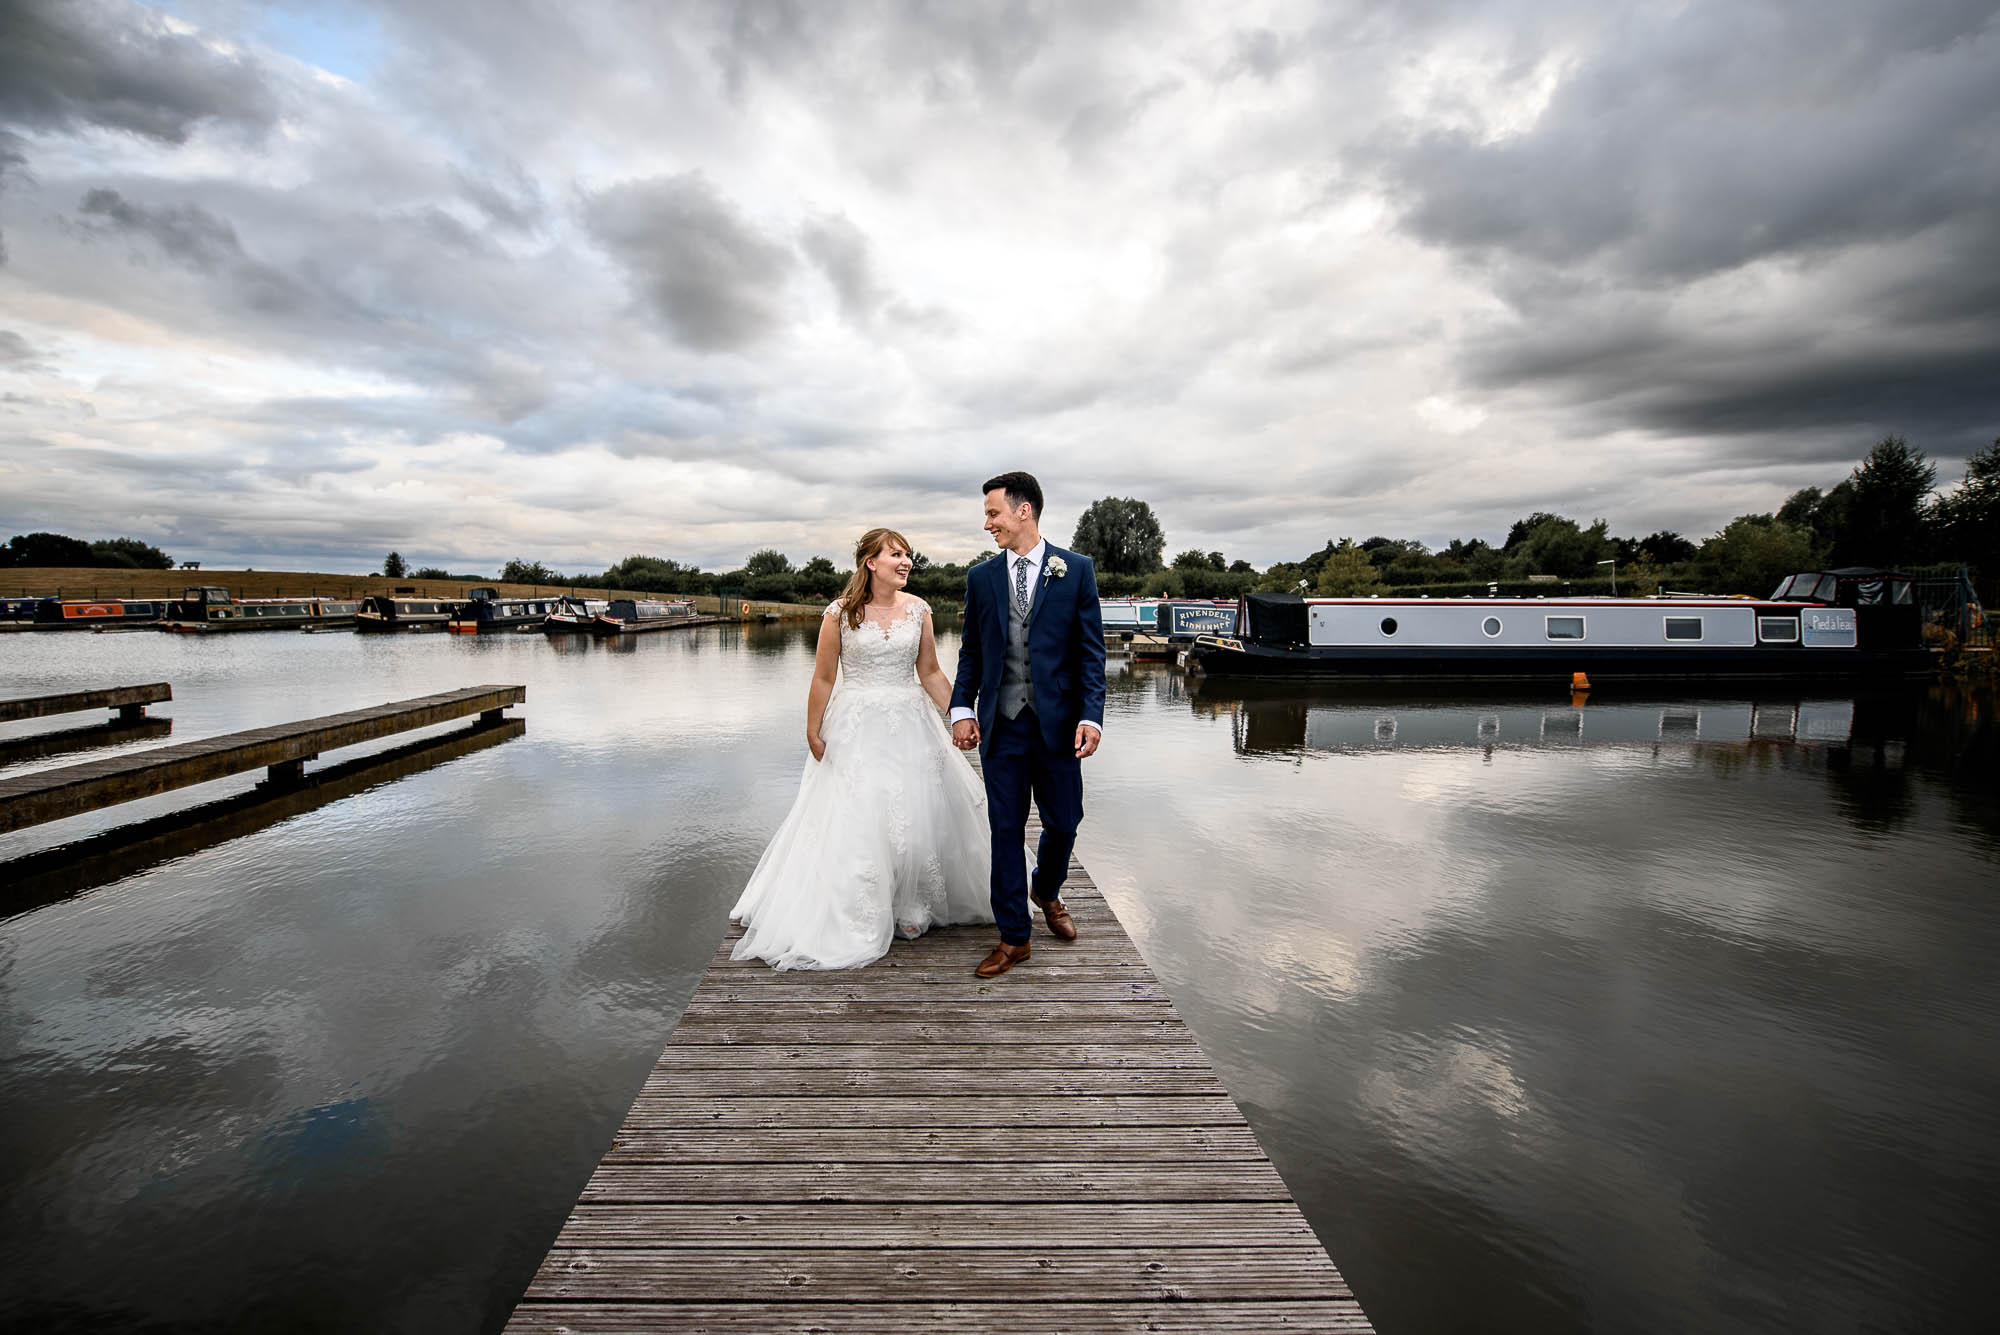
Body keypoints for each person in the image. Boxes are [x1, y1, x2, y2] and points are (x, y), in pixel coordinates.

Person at [729, 528, 993, 970]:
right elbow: (824, 677)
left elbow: (929, 672)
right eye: (895, 554)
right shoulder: (839, 614)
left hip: (911, 722)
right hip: (856, 725)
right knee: (861, 813)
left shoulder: (920, 611)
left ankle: (912, 902)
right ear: (871, 562)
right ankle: (861, 908)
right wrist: (812, 729)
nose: (906, 561)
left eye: (908, 555)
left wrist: (961, 714)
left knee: (916, 809)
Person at [950, 472, 1107, 977]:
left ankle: (1047, 889)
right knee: (1004, 829)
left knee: (1064, 822)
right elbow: (972, 651)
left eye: (993, 513)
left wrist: (1091, 716)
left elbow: (1091, 653)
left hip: (1059, 725)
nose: (987, 523)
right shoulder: (981, 578)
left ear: (1024, 511)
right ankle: (1014, 936)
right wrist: (962, 708)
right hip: (1003, 724)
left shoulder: (1076, 570)